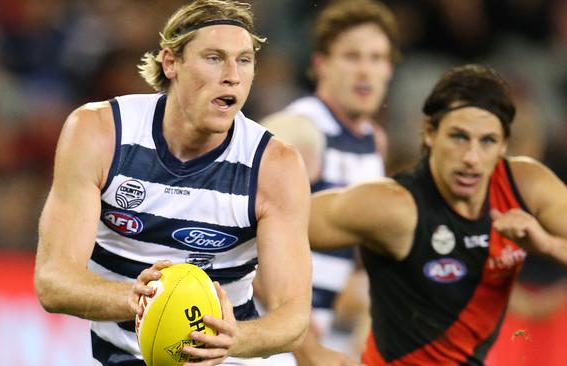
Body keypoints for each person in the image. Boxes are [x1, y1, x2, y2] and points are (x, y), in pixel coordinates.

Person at [33, 1, 313, 365]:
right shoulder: (101, 133)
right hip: (125, 354)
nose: (232, 75)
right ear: (171, 63)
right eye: (214, 58)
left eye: (244, 60)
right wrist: (141, 299)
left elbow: (292, 317)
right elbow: (53, 281)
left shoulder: (274, 167)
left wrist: (233, 339)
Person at [308, 64, 567, 365]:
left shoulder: (526, 186)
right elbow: (271, 226)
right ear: (430, 132)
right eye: (459, 137)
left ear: (503, 145)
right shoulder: (393, 206)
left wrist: (548, 245)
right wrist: (306, 348)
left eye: (487, 141)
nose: (471, 158)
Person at [260, 0, 398, 364]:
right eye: (352, 56)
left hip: (317, 330)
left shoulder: (374, 142)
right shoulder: (298, 133)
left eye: (377, 57)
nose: (365, 70)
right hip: (264, 334)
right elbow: (248, 251)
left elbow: (358, 255)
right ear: (321, 63)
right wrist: (302, 341)